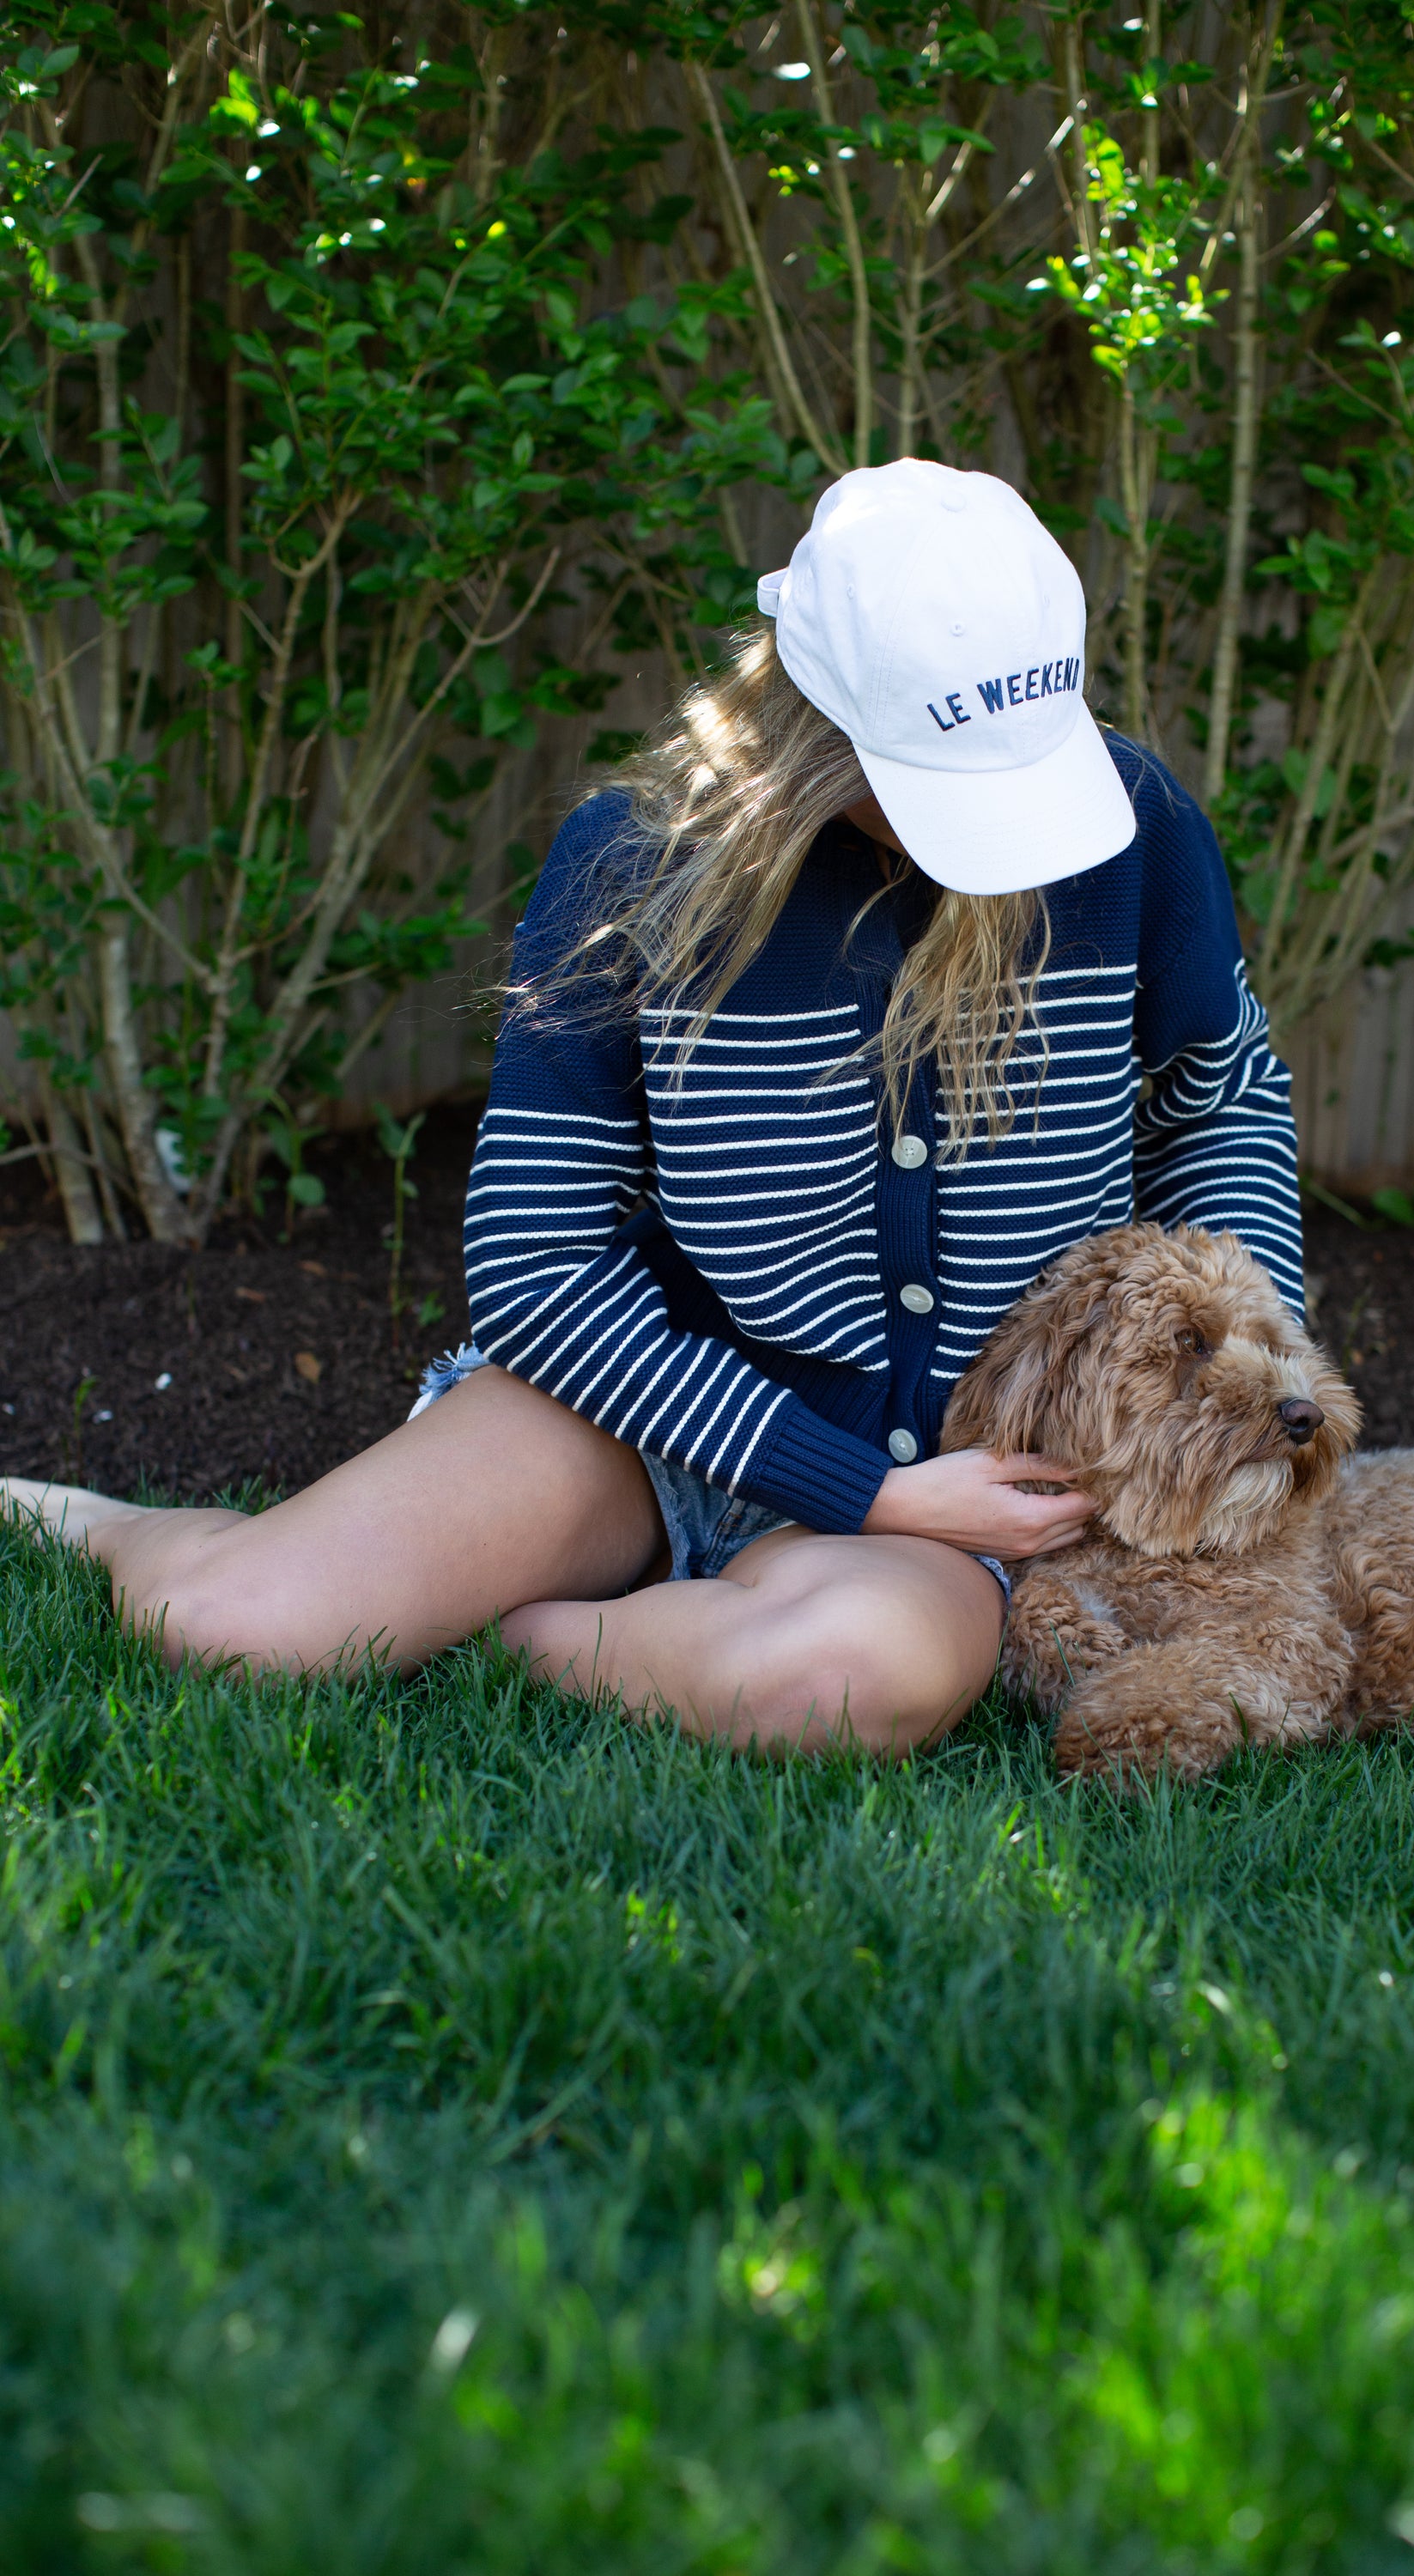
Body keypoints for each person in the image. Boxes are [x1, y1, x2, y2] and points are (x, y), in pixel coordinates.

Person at [2, 460, 1302, 1756]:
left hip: (966, 1488)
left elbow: (1222, 1097)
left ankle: (511, 1629)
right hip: (637, 1428)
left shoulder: (1133, 828)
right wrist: (856, 1487)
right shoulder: (637, 863)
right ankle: (112, 1525)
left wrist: (1259, 1365)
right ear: (821, 723)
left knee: (834, 1686)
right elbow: (536, 1264)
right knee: (229, 1629)